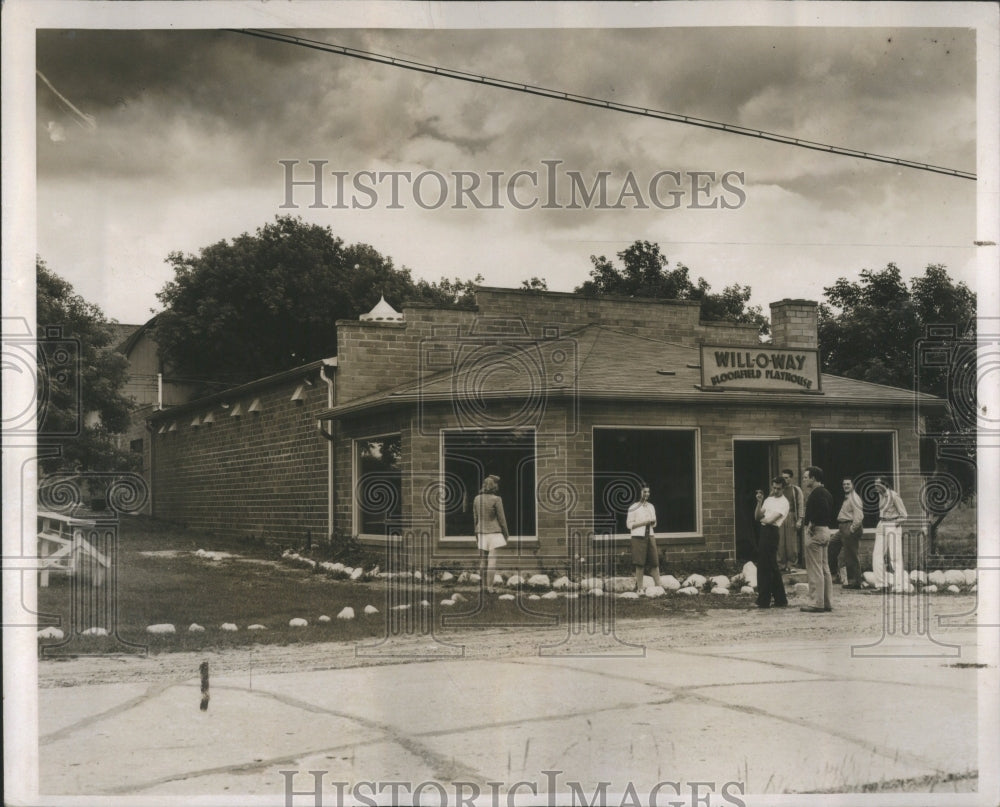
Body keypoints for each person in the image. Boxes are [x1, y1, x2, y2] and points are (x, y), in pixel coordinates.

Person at [800, 465, 835, 613]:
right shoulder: (826, 492)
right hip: (826, 530)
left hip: (816, 532)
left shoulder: (816, 493)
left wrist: (811, 523)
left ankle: (816, 603)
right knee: (824, 568)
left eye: (806, 477)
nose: (804, 479)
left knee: (815, 569)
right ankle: (827, 602)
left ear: (813, 478)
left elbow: (822, 509)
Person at [752, 478, 790, 609]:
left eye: (778, 488)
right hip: (764, 532)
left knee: (766, 567)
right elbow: (757, 517)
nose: (775, 490)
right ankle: (780, 599)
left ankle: (764, 600)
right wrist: (759, 502)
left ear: (783, 488)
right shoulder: (768, 500)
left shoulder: (784, 503)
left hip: (772, 532)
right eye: (774, 488)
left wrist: (763, 518)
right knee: (770, 565)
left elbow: (771, 520)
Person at [473, 474, 509, 593]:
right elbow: (502, 519)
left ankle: (483, 587)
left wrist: (476, 534)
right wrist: (506, 534)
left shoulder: (477, 499)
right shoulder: (497, 499)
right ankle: (490, 587)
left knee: (483, 560)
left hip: (481, 532)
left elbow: (475, 519)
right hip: (494, 532)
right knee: (492, 560)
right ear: (494, 487)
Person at [873, 476, 909, 592]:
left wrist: (894, 524)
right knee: (877, 555)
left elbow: (904, 515)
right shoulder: (880, 496)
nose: (876, 486)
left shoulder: (894, 496)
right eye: (875, 484)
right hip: (882, 524)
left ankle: (899, 585)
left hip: (892, 525)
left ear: (885, 484)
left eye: (878, 484)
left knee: (895, 556)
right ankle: (881, 585)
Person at [627, 485, 664, 593]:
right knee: (640, 563)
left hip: (650, 535)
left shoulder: (651, 506)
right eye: (644, 492)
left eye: (648, 492)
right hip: (638, 537)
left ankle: (659, 587)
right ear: (639, 493)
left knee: (654, 562)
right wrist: (644, 523)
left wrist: (652, 522)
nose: (647, 494)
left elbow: (655, 523)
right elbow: (629, 525)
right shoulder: (633, 507)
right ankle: (640, 589)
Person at [835, 477, 865, 589]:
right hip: (843, 527)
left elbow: (859, 516)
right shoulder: (847, 497)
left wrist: (852, 529)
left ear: (852, 485)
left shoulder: (854, 498)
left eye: (848, 484)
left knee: (851, 555)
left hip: (849, 526)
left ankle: (856, 582)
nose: (846, 486)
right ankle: (843, 578)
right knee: (833, 546)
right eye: (844, 484)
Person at [779, 469, 805, 569]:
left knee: (791, 543)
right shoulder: (779, 489)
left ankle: (791, 564)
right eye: (783, 477)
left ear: (791, 478)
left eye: (786, 477)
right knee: (780, 541)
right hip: (780, 517)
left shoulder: (796, 490)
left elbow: (801, 505)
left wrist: (800, 519)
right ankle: (781, 564)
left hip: (791, 516)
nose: (784, 480)